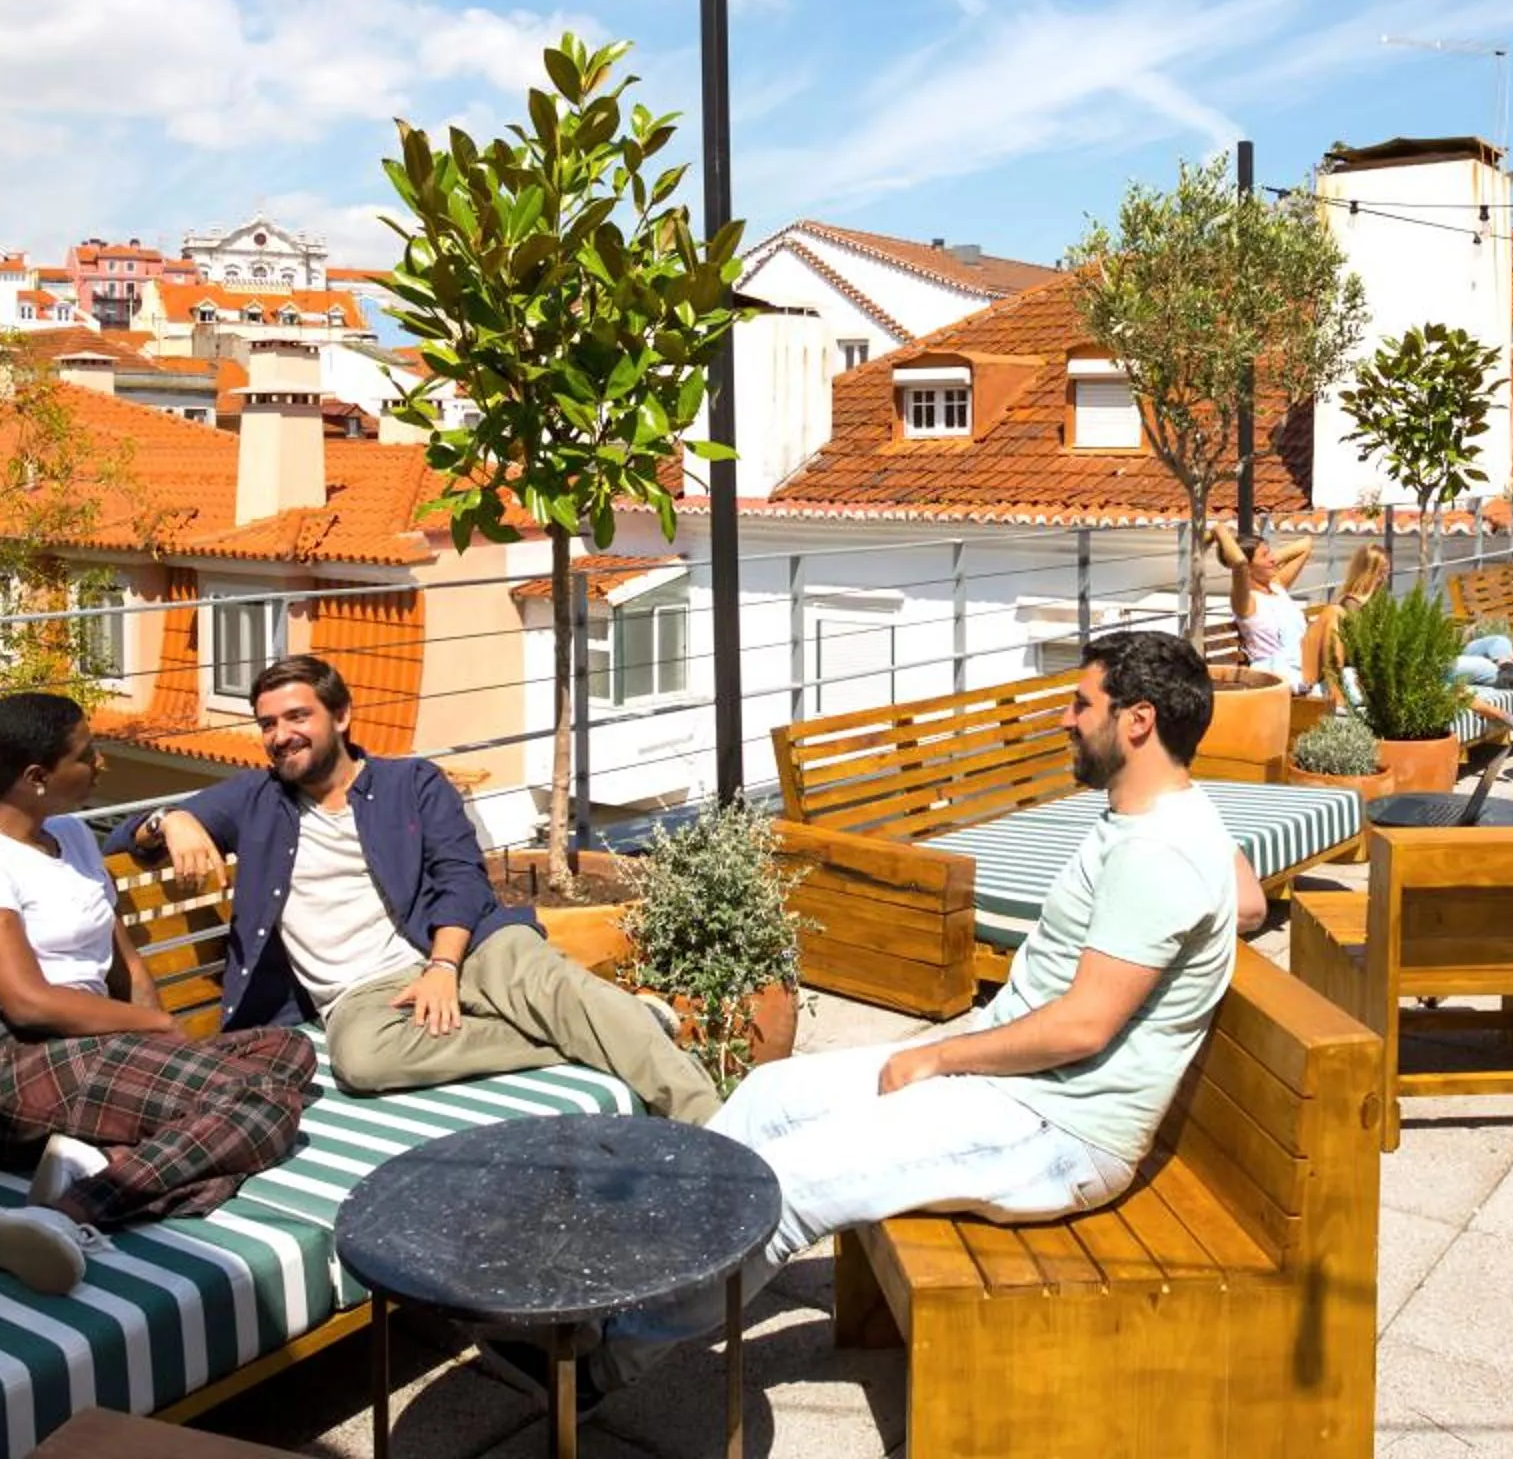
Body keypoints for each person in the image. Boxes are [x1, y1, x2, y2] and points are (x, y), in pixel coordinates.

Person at [525, 630, 1240, 1408]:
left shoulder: (1159, 853)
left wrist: (939, 1058)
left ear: (1138, 722)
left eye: (1081, 704)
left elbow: (1083, 1029)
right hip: (1022, 1091)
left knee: (790, 1186)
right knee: (767, 1098)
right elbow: (1246, 896)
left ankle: (600, 1366)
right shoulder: (1168, 815)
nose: (1066, 719)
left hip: (1059, 1128)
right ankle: (627, 1273)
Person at [129, 654, 721, 1124]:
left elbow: (461, 874)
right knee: (361, 1063)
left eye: (297, 717)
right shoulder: (252, 800)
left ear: (340, 717)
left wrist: (442, 965)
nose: (280, 735)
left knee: (550, 983)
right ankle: (614, 1027)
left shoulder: (409, 782)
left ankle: (720, 1131)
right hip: (363, 997)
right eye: (267, 724)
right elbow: (120, 841)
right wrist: (168, 819)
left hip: (463, 946)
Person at [0, 693, 316, 1296]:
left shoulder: (75, 837)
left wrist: (157, 1026)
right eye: (86, 755)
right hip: (8, 1066)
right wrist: (154, 1030)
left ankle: (96, 1168)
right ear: (36, 778)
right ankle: (63, 1215)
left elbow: (124, 964)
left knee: (289, 1052)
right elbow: (27, 1000)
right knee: (262, 1104)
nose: (100, 763)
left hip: (88, 1046)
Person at [1209, 521, 1315, 688]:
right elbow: (1239, 562)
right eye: (1265, 555)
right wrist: (1219, 531)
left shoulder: (1277, 586)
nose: (1273, 559)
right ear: (1249, 567)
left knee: (1334, 617)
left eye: (1270, 553)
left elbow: (1306, 544)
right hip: (1278, 673)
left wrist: (1266, 561)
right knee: (1333, 615)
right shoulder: (1246, 601)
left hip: (1304, 663)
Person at [1299, 543, 1389, 694]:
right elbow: (1359, 646)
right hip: (1352, 671)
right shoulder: (1351, 603)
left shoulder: (1375, 602)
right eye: (1382, 571)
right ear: (1370, 571)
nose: (1385, 576)